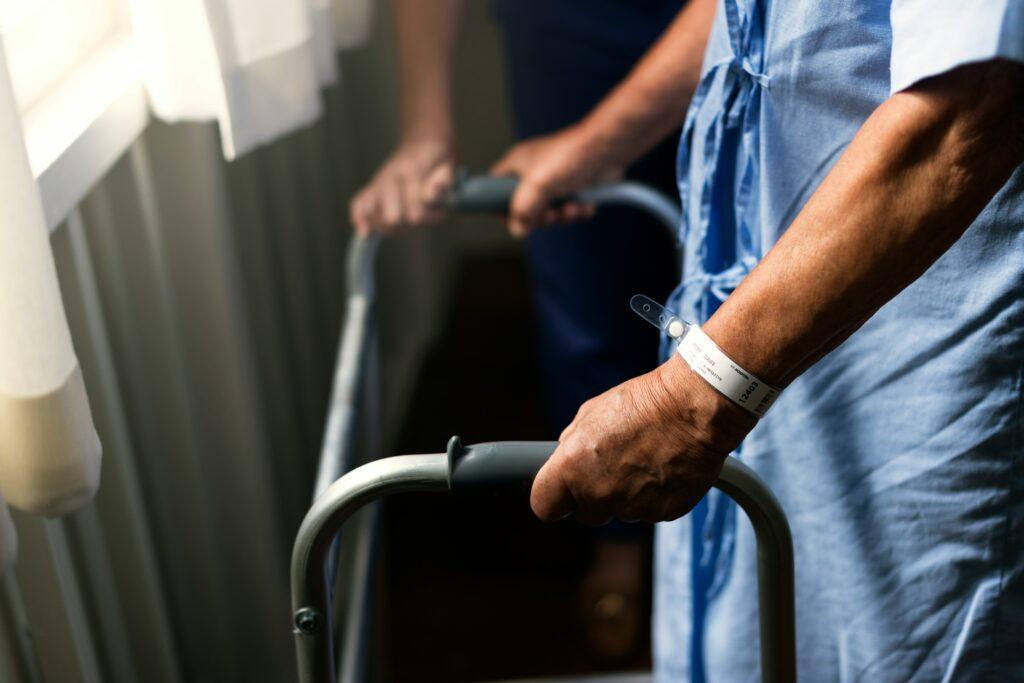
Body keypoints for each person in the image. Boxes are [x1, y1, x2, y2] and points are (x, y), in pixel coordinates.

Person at [513, 0, 1024, 680]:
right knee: (753, 632)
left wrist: (692, 401)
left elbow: (971, 108)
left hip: (914, 351)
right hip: (756, 328)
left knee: (897, 645)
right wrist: (602, 140)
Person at [349, 0, 700, 658]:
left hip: (739, 24)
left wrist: (599, 142)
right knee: (590, 280)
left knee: (744, 269)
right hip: (564, 24)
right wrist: (426, 127)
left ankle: (731, 527)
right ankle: (620, 540)